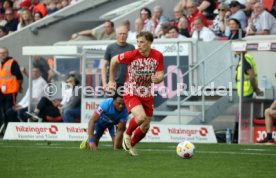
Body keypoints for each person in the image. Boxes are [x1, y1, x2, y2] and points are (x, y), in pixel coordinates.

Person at [108, 31, 164, 156]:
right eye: (137, 42)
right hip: (131, 90)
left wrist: (158, 79)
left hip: (147, 93)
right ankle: (127, 134)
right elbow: (113, 60)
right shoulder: (132, 54)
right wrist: (111, 80)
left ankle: (130, 145)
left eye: (142, 42)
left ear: (149, 43)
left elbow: (160, 74)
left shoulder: (158, 56)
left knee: (145, 127)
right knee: (140, 117)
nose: (139, 45)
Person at [232, 51, 262, 142]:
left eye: (236, 48)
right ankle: (237, 138)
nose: (234, 50)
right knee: (241, 115)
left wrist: (256, 89)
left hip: (246, 92)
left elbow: (251, 76)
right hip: (244, 92)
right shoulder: (243, 58)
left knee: (242, 116)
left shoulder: (245, 59)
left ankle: (239, 138)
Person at [101, 25, 135, 90]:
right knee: (111, 100)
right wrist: (104, 84)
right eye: (120, 34)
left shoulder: (131, 48)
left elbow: (133, 66)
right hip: (112, 83)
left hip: (126, 83)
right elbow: (104, 66)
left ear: (127, 35)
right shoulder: (110, 47)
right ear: (116, 35)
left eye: (124, 34)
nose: (122, 36)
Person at [0, 47, 23, 134]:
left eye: (4, 53)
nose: (2, 55)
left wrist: (18, 87)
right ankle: (5, 128)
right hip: (2, 91)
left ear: (7, 53)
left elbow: (19, 77)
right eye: (1, 53)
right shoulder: (0, 63)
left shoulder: (12, 62)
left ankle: (13, 128)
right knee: (3, 110)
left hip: (11, 91)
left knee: (9, 110)